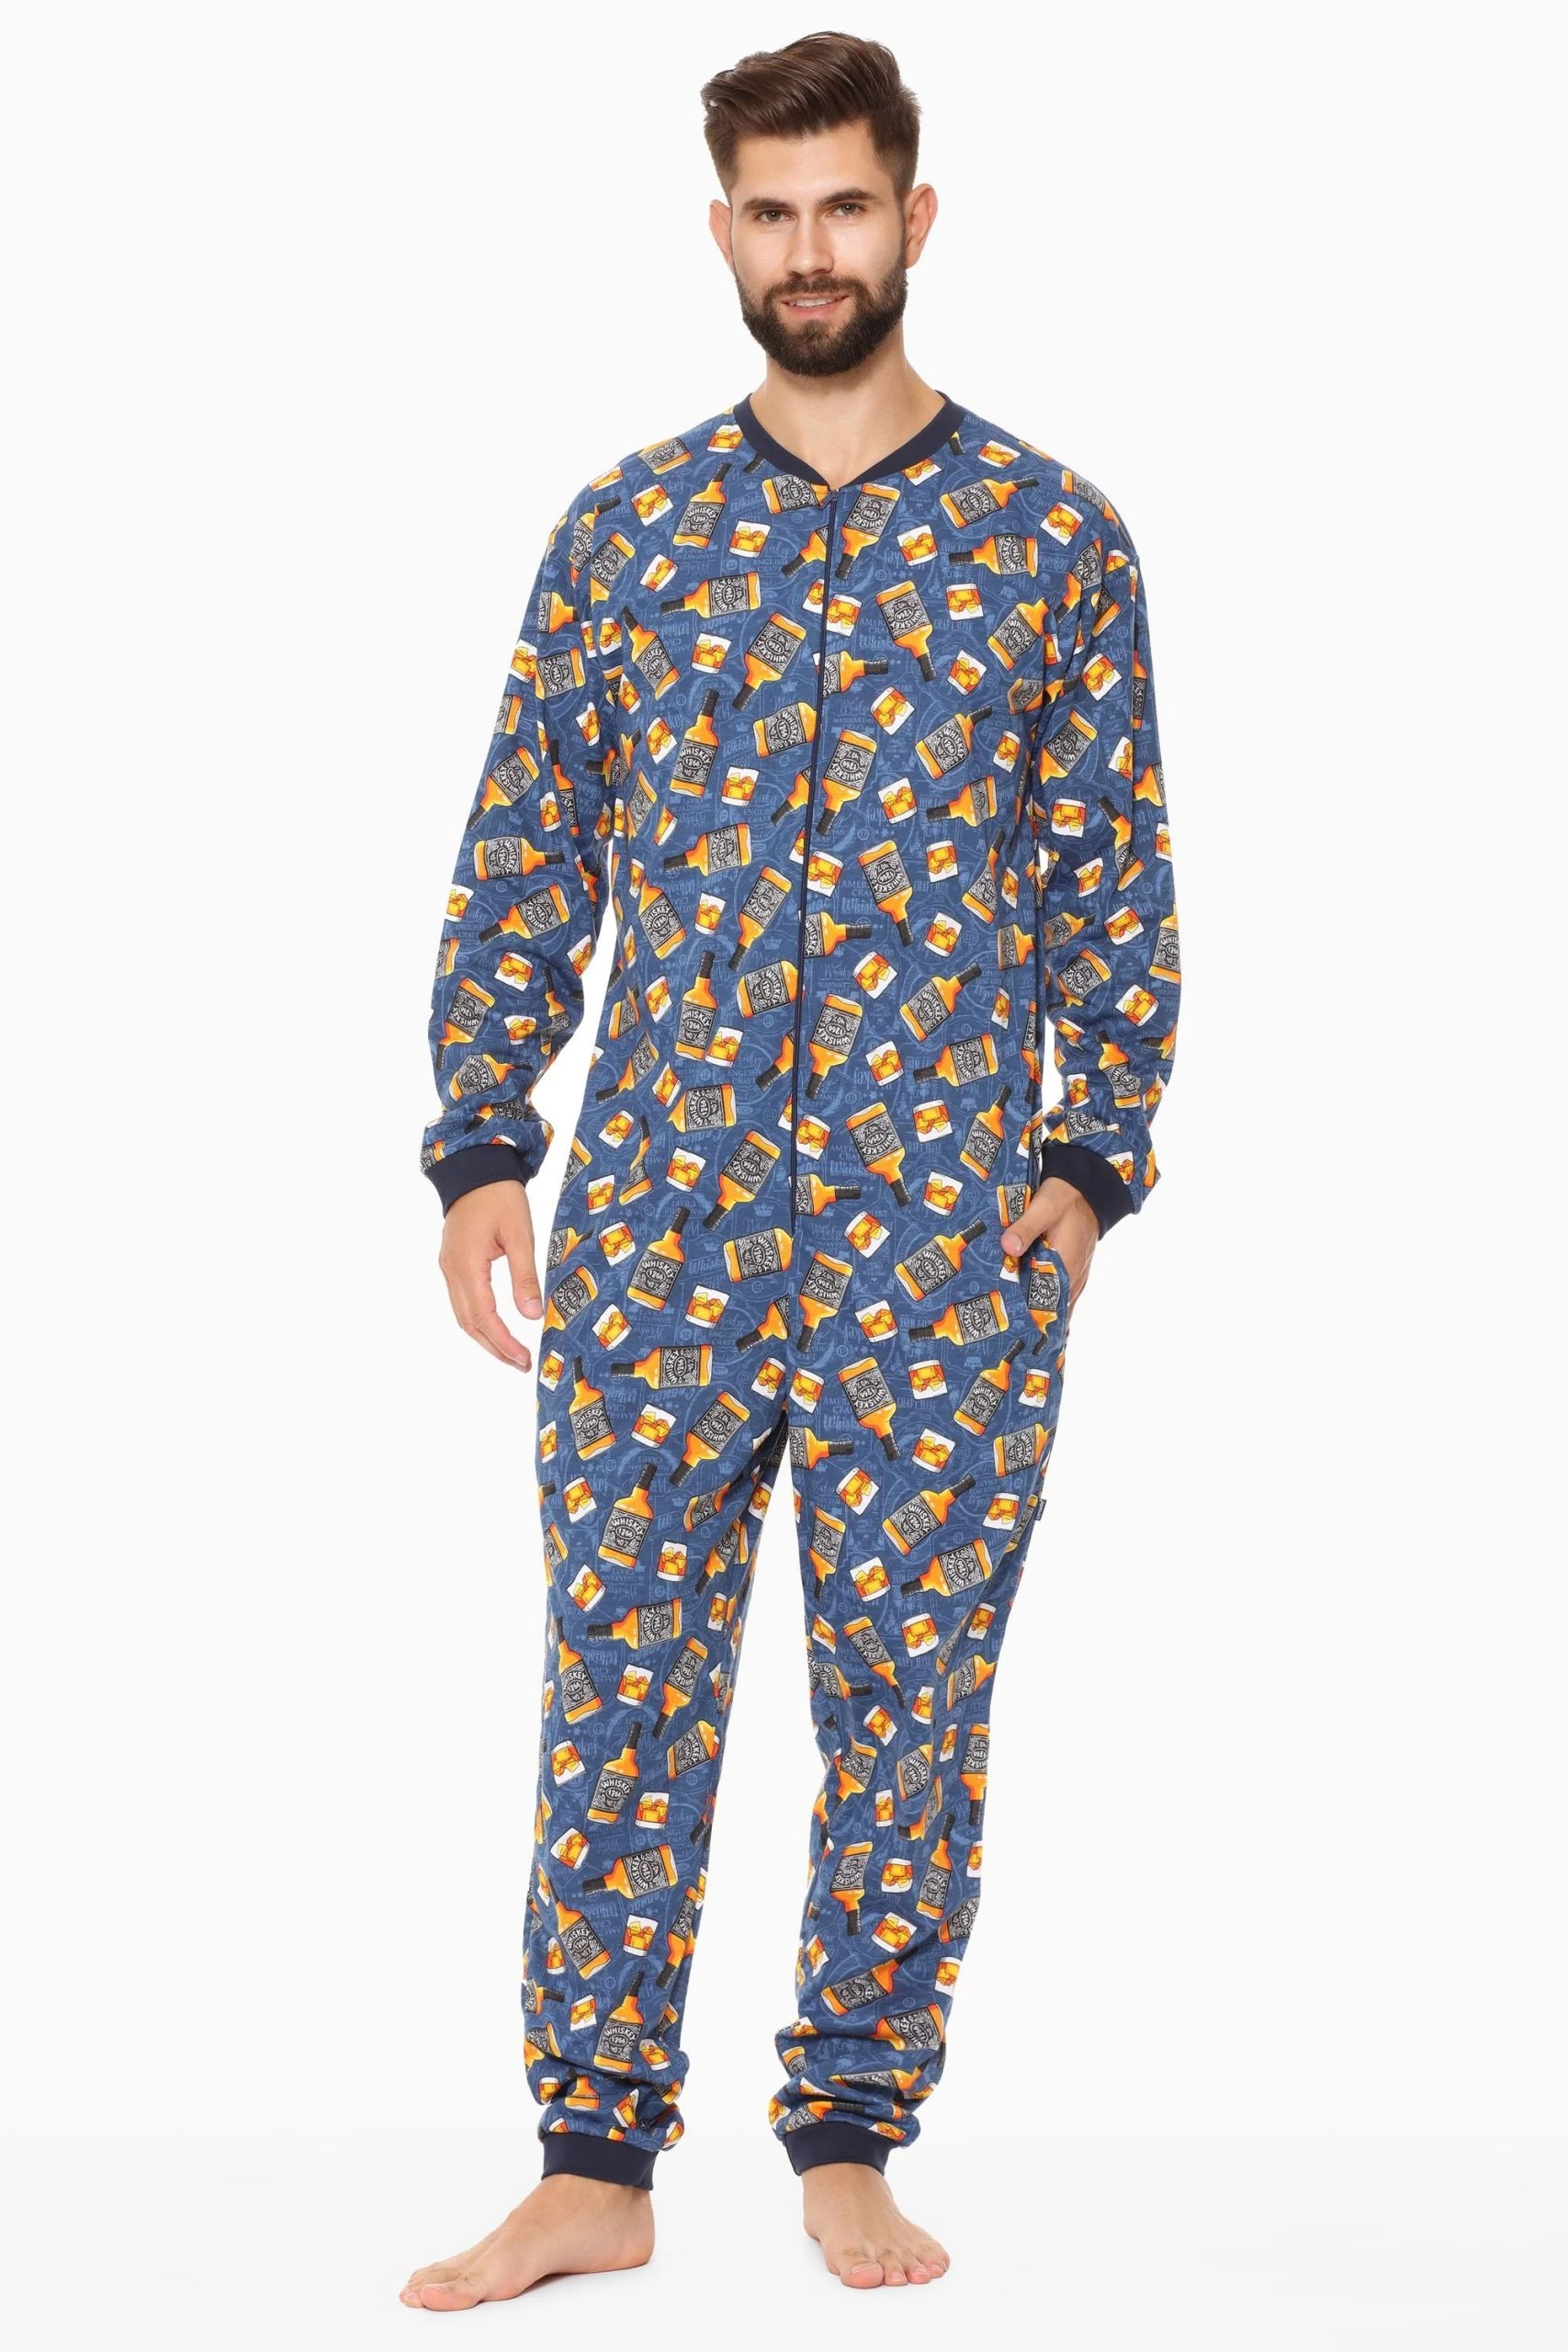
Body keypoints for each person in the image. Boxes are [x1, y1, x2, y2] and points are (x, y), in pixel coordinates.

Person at [401, 28, 1180, 2311]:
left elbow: (1113, 868)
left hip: (944, 1247)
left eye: (845, 206)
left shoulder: (1051, 537)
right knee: (620, 1681)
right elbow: (525, 848)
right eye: (771, 211)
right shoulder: (625, 533)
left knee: (910, 1699)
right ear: (721, 230)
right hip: (657, 1222)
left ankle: (849, 2131)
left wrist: (1092, 1160)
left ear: (913, 220)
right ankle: (592, 2162)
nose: (809, 250)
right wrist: (481, 1139)